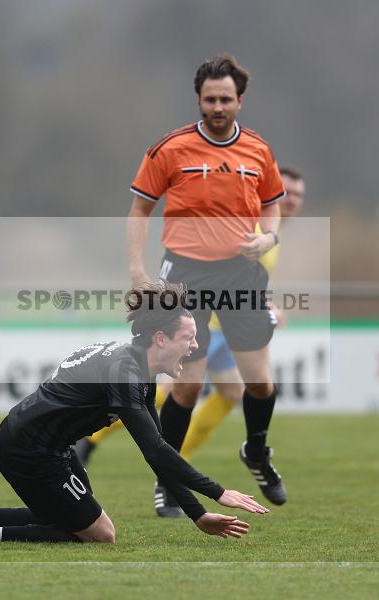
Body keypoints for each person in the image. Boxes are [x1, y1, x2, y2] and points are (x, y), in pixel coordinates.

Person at [0, 282, 268, 544]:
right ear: (161, 338)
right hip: (28, 449)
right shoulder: (125, 372)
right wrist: (219, 493)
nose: (196, 346)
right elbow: (155, 450)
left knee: (69, 516)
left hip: (41, 443)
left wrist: (197, 514)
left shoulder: (139, 368)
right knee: (100, 535)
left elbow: (158, 450)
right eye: (190, 338)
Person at [126, 54, 288, 517]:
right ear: (198, 99)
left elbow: (273, 205)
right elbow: (139, 210)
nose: (217, 107)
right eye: (209, 99)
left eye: (226, 99)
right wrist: (138, 272)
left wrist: (268, 237)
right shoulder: (170, 149)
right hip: (185, 276)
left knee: (259, 383)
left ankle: (256, 450)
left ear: (240, 100)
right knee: (187, 388)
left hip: (241, 276)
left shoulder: (258, 149)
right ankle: (170, 479)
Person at [75, 167, 307, 475]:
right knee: (171, 391)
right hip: (209, 324)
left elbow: (248, 283)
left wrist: (263, 304)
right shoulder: (251, 225)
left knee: (231, 394)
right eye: (286, 193)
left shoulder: (269, 234)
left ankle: (178, 457)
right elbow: (226, 275)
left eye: (298, 195)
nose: (291, 200)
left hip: (230, 325)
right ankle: (87, 439)